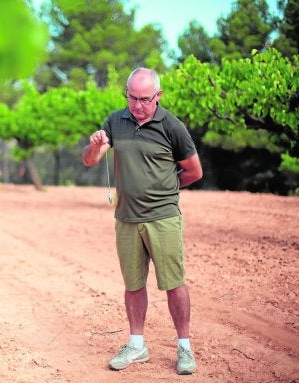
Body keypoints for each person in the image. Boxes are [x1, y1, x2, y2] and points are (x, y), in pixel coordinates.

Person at [82, 67, 203, 375]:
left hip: (163, 218)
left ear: (158, 96)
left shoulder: (172, 127)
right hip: (126, 219)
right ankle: (137, 345)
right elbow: (91, 160)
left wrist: (165, 189)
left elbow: (193, 171)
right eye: (132, 98)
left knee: (173, 283)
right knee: (133, 284)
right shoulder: (115, 121)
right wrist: (96, 145)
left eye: (144, 99)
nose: (137, 105)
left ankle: (185, 348)